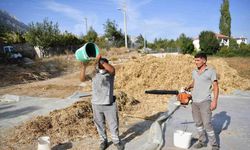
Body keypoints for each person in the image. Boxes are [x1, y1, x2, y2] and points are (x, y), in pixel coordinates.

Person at [80, 54, 124, 150]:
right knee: (99, 124)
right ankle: (103, 141)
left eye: (102, 64)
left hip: (109, 104)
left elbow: (112, 69)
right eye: (99, 64)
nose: (99, 66)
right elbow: (82, 79)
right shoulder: (94, 74)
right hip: (96, 104)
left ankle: (116, 141)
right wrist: (84, 67)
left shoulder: (109, 74)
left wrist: (100, 61)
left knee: (113, 124)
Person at [185, 53, 220, 150]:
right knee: (198, 123)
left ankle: (214, 145)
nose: (195, 62)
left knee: (207, 124)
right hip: (194, 101)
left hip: (205, 101)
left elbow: (216, 87)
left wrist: (215, 101)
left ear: (204, 60)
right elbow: (194, 82)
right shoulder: (194, 71)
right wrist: (188, 86)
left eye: (197, 60)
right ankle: (202, 141)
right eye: (195, 60)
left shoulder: (211, 71)